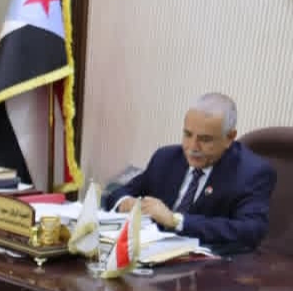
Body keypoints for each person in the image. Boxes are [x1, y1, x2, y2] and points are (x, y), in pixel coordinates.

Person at [103, 92, 277, 256]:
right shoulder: (166, 158)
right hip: (150, 254)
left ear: (229, 138)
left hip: (206, 268)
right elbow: (119, 193)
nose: (193, 147)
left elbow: (251, 231)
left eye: (205, 139)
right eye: (187, 134)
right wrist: (125, 202)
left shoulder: (251, 173)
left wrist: (176, 221)